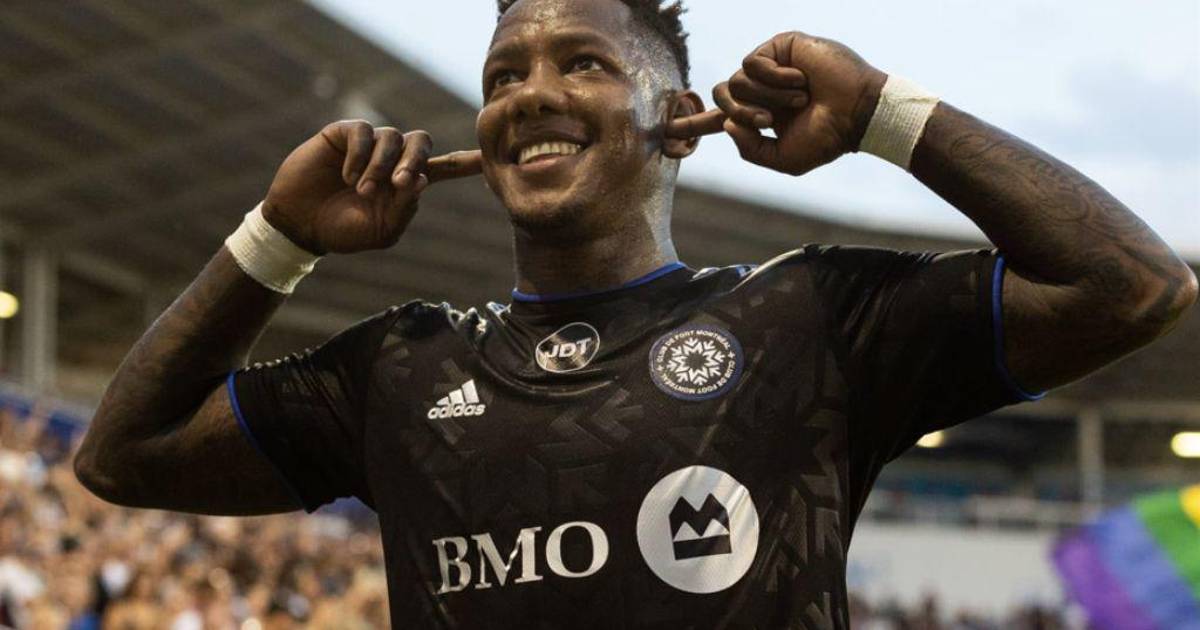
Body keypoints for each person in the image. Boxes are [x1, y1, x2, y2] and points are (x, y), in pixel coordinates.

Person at [73, 0, 1197, 627]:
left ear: (680, 119)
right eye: (503, 75)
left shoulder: (810, 317)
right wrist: (279, 237)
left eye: (583, 63)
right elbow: (124, 455)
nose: (532, 93)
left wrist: (881, 114)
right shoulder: (400, 367)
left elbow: (1132, 287)